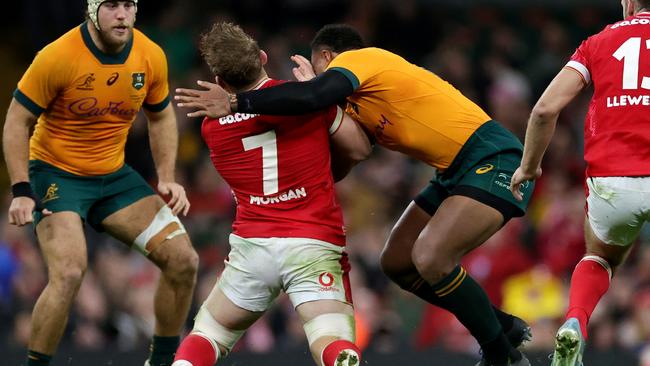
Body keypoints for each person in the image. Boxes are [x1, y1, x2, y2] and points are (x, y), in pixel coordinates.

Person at [175, 24, 534, 366]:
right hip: (450, 172)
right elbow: (349, 156)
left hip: (491, 156)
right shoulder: (359, 102)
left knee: (430, 256)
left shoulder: (361, 59)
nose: (320, 80)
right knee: (397, 263)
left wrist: (238, 103)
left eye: (320, 70)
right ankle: (499, 324)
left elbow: (314, 94)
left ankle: (501, 352)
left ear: (328, 56)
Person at [2, 1, 199, 365]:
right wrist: (20, 190)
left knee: (183, 260)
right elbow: (16, 122)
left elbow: (160, 116)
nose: (121, 15)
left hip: (113, 176)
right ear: (93, 10)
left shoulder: (150, 55)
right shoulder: (57, 56)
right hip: (55, 175)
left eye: (128, 5)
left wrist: (168, 177)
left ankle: (163, 362)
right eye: (111, 6)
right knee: (70, 273)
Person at [170, 22, 371, 366]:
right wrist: (319, 93)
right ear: (262, 57)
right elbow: (359, 148)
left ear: (219, 83)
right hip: (313, 241)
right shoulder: (306, 100)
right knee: (329, 337)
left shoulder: (211, 126)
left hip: (254, 248)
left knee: (209, 333)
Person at [509, 1, 650, 365]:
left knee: (600, 256)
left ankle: (576, 320)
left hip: (613, 179)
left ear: (630, 3)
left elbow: (544, 109)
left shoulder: (596, 43)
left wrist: (529, 167)